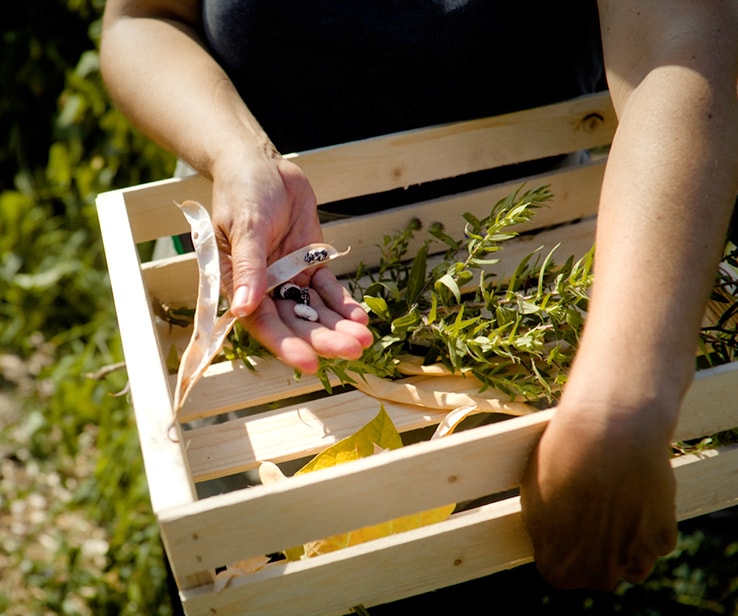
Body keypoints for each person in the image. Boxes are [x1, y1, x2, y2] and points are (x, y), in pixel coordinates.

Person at [100, 0, 738, 592]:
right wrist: (239, 153)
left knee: (466, 564)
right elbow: (142, 18)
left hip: (515, 257)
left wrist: (618, 404)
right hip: (249, 238)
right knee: (266, 564)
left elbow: (682, 47)